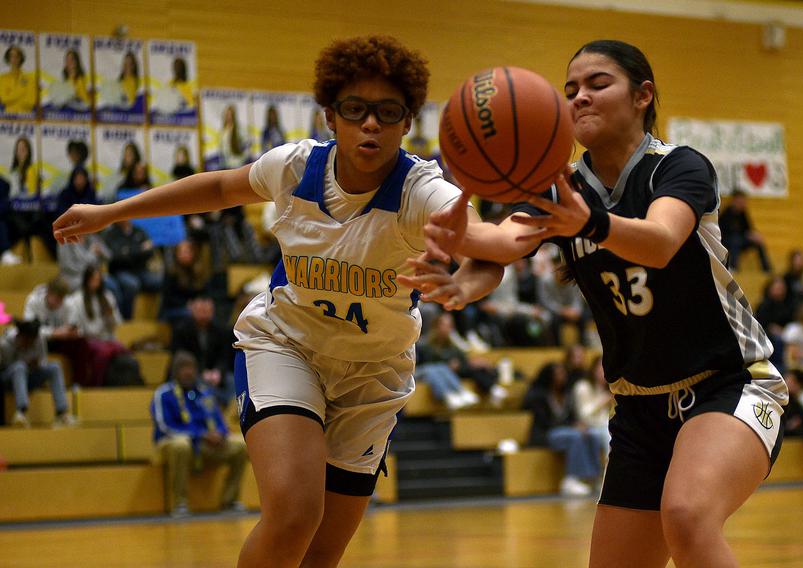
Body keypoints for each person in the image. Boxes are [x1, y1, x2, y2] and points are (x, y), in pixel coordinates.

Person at [53, 34, 501, 568]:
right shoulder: (294, 168)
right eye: (356, 110)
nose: (372, 124)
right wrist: (112, 211)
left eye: (388, 111)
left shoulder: (423, 191)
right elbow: (219, 189)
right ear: (330, 117)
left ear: (408, 122)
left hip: (373, 373)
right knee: (293, 514)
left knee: (322, 552)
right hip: (286, 346)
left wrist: (466, 286)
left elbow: (485, 249)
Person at [421, 39, 788, 568]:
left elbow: (661, 242)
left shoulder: (679, 167)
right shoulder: (562, 188)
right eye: (570, 90)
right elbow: (499, 247)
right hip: (637, 405)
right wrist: (460, 271)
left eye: (598, 84)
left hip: (730, 382)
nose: (580, 98)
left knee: (686, 516)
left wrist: (590, 224)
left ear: (643, 96)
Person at [151, 350, 247, 517]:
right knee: (181, 444)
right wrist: (200, 435)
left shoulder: (205, 392)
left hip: (205, 444)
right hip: (173, 443)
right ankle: (180, 504)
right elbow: (164, 427)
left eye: (191, 367)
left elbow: (219, 421)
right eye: (183, 368)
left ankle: (229, 501)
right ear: (175, 371)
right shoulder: (163, 394)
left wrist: (221, 434)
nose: (188, 372)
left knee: (241, 445)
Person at [523, 361, 604, 496]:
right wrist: (572, 427)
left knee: (592, 434)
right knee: (575, 436)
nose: (563, 376)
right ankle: (571, 479)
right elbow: (544, 422)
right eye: (558, 374)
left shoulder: (567, 394)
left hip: (565, 430)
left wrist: (578, 424)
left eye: (563, 373)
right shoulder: (539, 396)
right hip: (545, 433)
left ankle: (594, 478)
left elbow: (572, 416)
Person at [0, 318, 77, 428]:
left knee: (54, 366)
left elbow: (43, 362)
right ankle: (21, 413)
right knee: (19, 367)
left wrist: (37, 366)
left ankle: (62, 413)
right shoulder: (5, 344)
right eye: (27, 342)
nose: (30, 345)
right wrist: (24, 362)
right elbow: (4, 368)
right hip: (8, 380)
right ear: (20, 336)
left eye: (32, 342)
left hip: (30, 377)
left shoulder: (39, 340)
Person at [169, 294, 236, 409]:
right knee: (200, 384)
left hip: (214, 373)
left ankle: (229, 411)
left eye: (207, 311)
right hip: (191, 371)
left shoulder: (220, 330)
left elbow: (224, 357)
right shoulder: (181, 329)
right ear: (192, 309)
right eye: (201, 310)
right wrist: (201, 372)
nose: (204, 314)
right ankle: (212, 409)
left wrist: (218, 372)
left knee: (232, 381)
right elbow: (180, 357)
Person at [102, 219, 163, 319]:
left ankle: (160, 318)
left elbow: (150, 252)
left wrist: (129, 252)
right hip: (120, 271)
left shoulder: (139, 231)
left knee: (160, 281)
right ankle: (126, 319)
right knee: (132, 285)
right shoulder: (111, 234)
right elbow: (116, 257)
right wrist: (139, 250)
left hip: (141, 270)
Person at [718, 189, 772, 273]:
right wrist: (746, 234)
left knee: (758, 242)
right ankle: (733, 267)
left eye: (743, 201)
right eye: (740, 201)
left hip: (740, 240)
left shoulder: (743, 213)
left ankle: (767, 269)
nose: (742, 203)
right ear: (734, 201)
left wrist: (755, 235)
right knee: (735, 240)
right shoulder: (726, 213)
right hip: (727, 240)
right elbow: (726, 231)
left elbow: (748, 229)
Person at [0, 45, 36, 115]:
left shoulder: (30, 79)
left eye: (17, 55)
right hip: (8, 116)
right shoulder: (2, 78)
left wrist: (12, 97)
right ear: (8, 58)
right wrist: (22, 91)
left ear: (21, 58)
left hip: (26, 116)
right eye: (11, 56)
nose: (14, 58)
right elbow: (4, 99)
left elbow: (30, 102)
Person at [220, 104, 248, 169]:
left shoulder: (238, 129)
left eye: (230, 115)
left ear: (233, 116)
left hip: (236, 162)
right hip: (225, 162)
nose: (228, 117)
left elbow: (246, 143)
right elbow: (222, 147)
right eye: (227, 115)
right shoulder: (224, 130)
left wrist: (242, 157)